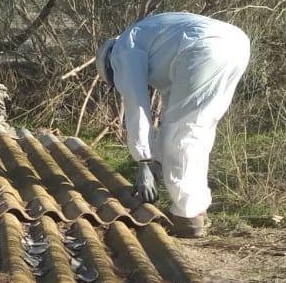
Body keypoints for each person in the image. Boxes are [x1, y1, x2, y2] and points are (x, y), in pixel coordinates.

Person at [96, 12, 251, 238]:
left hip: (205, 48)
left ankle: (187, 217)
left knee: (182, 134)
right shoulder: (148, 37)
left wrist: (144, 162)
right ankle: (198, 208)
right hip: (236, 43)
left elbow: (136, 105)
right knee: (199, 127)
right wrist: (158, 161)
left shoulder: (123, 50)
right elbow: (172, 106)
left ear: (110, 65)